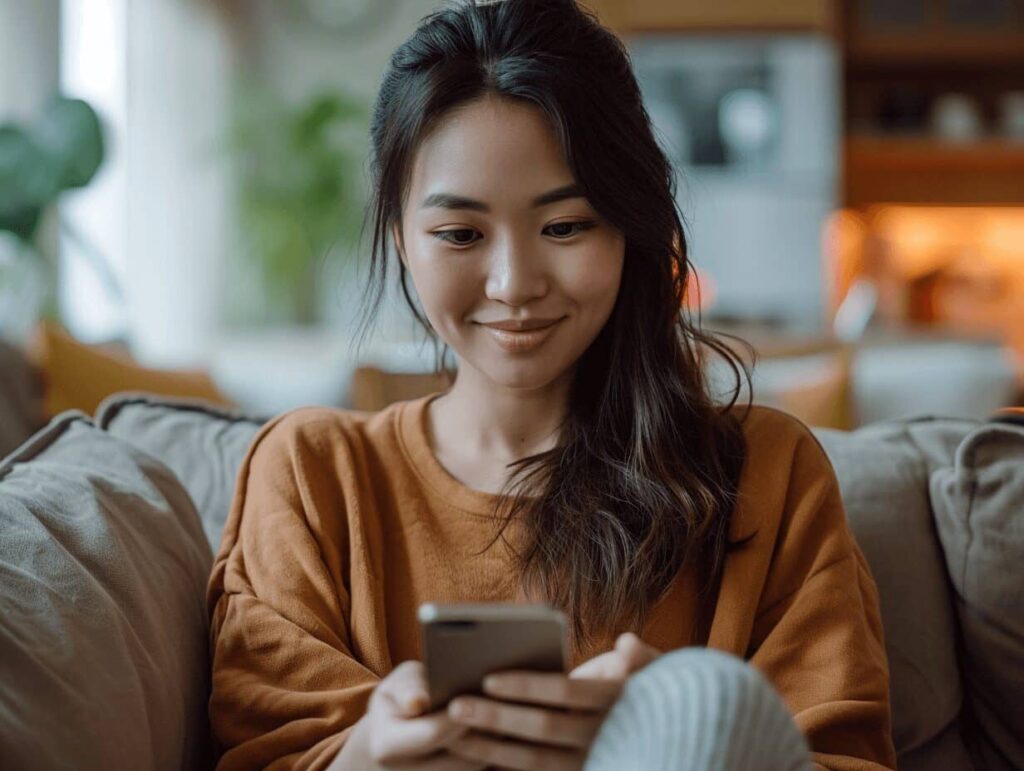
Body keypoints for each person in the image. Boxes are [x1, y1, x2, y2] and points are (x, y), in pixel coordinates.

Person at [206, 1, 897, 769]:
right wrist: (366, 753)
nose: (513, 284)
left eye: (565, 226)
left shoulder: (770, 476)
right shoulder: (311, 476)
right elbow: (266, 751)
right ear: (400, 235)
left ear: (629, 228)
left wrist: (678, 729)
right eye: (461, 234)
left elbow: (842, 755)